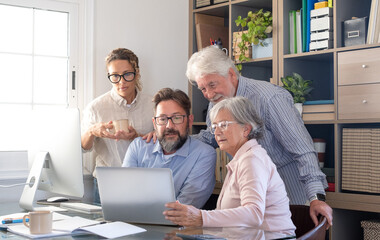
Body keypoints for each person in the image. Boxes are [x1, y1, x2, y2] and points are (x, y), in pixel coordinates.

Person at [185, 46, 333, 227]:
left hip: (292, 198)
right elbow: (211, 136)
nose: (209, 94)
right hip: (251, 201)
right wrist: (173, 140)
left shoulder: (270, 99)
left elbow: (303, 150)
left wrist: (316, 197)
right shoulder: (217, 102)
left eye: (212, 85)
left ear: (231, 74)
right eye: (203, 89)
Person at [163, 97, 296, 235]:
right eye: (214, 127)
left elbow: (254, 213)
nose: (216, 132)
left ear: (245, 129)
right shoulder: (242, 158)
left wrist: (200, 217)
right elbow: (226, 221)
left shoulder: (252, 160)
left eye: (224, 125)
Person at [81, 48, 154, 204]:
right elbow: (83, 148)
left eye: (127, 74)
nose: (121, 82)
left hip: (144, 182)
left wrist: (137, 137)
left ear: (137, 73)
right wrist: (92, 131)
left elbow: (164, 146)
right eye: (115, 76)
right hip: (107, 183)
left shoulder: (154, 105)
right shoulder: (96, 107)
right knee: (105, 228)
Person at [122, 88, 216, 209]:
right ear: (155, 123)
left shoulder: (204, 154)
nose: (169, 126)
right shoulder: (138, 146)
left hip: (178, 227)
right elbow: (125, 196)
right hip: (133, 223)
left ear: (189, 121)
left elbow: (184, 210)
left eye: (177, 118)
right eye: (162, 119)